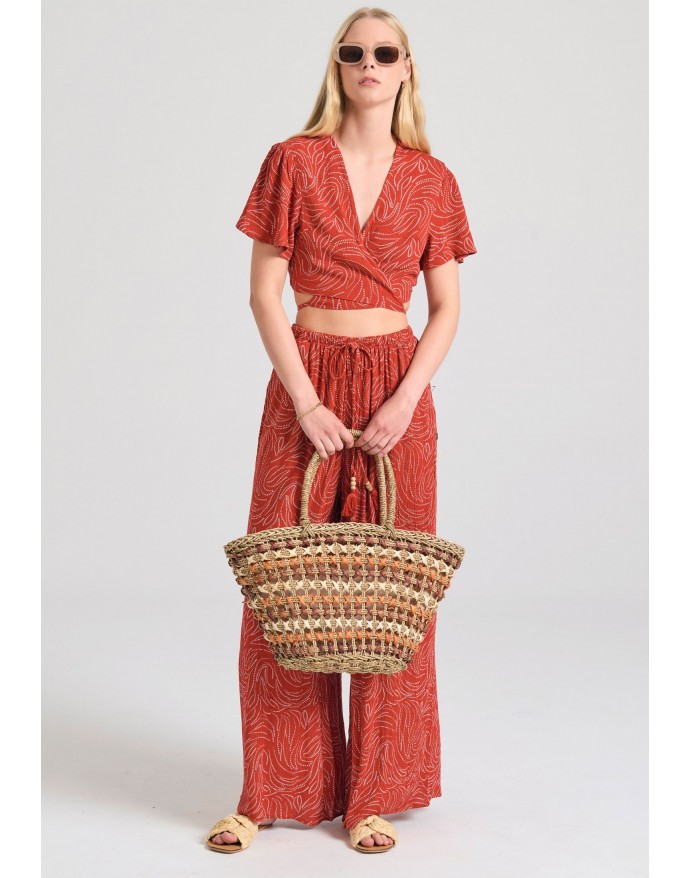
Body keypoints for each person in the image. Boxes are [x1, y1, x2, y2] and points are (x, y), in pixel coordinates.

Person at [206, 6, 477, 856]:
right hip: (307, 381)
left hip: (397, 387)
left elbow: (446, 307)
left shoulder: (430, 178)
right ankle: (269, 790)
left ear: (405, 68)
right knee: (283, 585)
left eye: (384, 52)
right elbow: (264, 294)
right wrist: (305, 401)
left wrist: (405, 398)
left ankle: (373, 796)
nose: (369, 63)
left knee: (393, 594)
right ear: (337, 65)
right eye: (353, 51)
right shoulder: (293, 160)